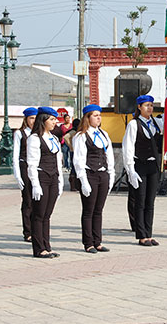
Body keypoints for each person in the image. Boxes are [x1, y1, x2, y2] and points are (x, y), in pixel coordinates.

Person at [122, 95, 163, 246]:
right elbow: (128, 147)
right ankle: (141, 235)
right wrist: (130, 169)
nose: (150, 108)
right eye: (146, 105)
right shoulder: (134, 124)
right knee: (140, 200)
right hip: (139, 165)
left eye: (151, 105)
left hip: (153, 166)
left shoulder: (156, 123)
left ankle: (149, 233)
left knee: (150, 202)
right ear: (139, 107)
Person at [73, 105, 115, 253]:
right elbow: (79, 160)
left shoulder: (103, 134)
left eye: (99, 115)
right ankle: (88, 242)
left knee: (99, 210)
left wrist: (111, 174)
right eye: (95, 115)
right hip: (89, 173)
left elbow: (109, 156)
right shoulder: (81, 136)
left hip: (103, 174)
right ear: (87, 118)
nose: (99, 118)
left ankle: (98, 241)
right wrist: (83, 180)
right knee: (88, 210)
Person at [27, 107, 64, 258]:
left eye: (55, 119)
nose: (55, 122)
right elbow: (32, 163)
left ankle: (47, 245)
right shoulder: (34, 138)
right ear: (43, 120)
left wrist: (60, 180)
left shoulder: (54, 138)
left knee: (47, 215)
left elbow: (58, 161)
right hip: (41, 177)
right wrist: (35, 184)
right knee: (39, 214)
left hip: (53, 177)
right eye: (52, 119)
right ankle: (38, 248)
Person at [13, 107, 38, 242]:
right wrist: (17, 174)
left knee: (38, 201)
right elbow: (16, 155)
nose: (33, 121)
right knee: (28, 200)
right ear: (26, 119)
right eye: (31, 118)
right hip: (25, 166)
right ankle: (28, 231)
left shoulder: (39, 134)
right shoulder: (20, 133)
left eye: (35, 118)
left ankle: (37, 229)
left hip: (37, 168)